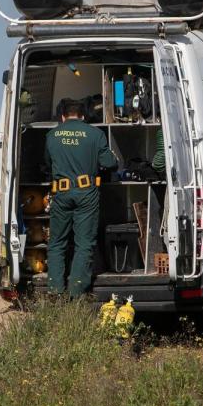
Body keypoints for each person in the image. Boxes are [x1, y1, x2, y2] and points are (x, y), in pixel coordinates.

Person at [44, 99, 118, 298]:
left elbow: (46, 164)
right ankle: (77, 291)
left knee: (57, 243)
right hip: (86, 193)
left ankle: (55, 290)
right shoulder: (95, 134)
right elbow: (109, 162)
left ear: (63, 116)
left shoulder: (52, 135)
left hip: (61, 193)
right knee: (83, 243)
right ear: (83, 116)